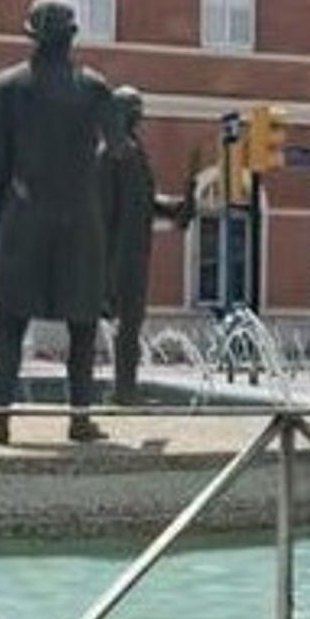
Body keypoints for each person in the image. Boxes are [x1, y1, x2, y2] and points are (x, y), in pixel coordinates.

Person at [0, 0, 118, 444]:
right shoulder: (95, 88)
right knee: (82, 326)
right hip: (79, 220)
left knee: (10, 325)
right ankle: (79, 417)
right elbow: (116, 147)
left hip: (23, 217)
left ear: (32, 35)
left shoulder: (5, 88)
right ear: (71, 36)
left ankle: (0, 419)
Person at [101, 85, 196, 405]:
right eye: (133, 109)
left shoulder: (134, 151)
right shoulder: (110, 153)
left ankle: (126, 388)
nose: (139, 115)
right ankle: (120, 392)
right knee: (123, 322)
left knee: (132, 322)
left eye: (139, 109)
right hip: (118, 254)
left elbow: (144, 200)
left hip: (136, 249)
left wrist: (176, 206)